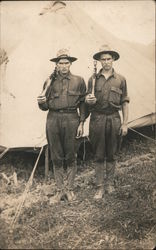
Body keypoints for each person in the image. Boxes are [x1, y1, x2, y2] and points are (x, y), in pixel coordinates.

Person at [37, 49, 87, 203]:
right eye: (60, 63)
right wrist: (41, 102)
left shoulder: (79, 80)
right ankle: (59, 191)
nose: (64, 66)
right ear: (56, 65)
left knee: (71, 156)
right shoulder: (49, 81)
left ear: (70, 64)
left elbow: (83, 103)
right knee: (56, 156)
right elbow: (44, 107)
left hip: (72, 119)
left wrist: (82, 122)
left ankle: (70, 190)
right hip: (53, 119)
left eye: (66, 63)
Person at [85, 45, 129, 199]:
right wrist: (88, 100)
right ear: (99, 61)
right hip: (97, 119)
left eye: (109, 59)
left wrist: (125, 123)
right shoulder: (92, 79)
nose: (106, 62)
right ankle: (99, 187)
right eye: (103, 59)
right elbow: (86, 102)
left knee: (112, 153)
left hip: (114, 119)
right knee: (98, 154)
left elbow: (124, 102)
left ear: (113, 59)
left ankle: (109, 184)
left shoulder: (121, 79)